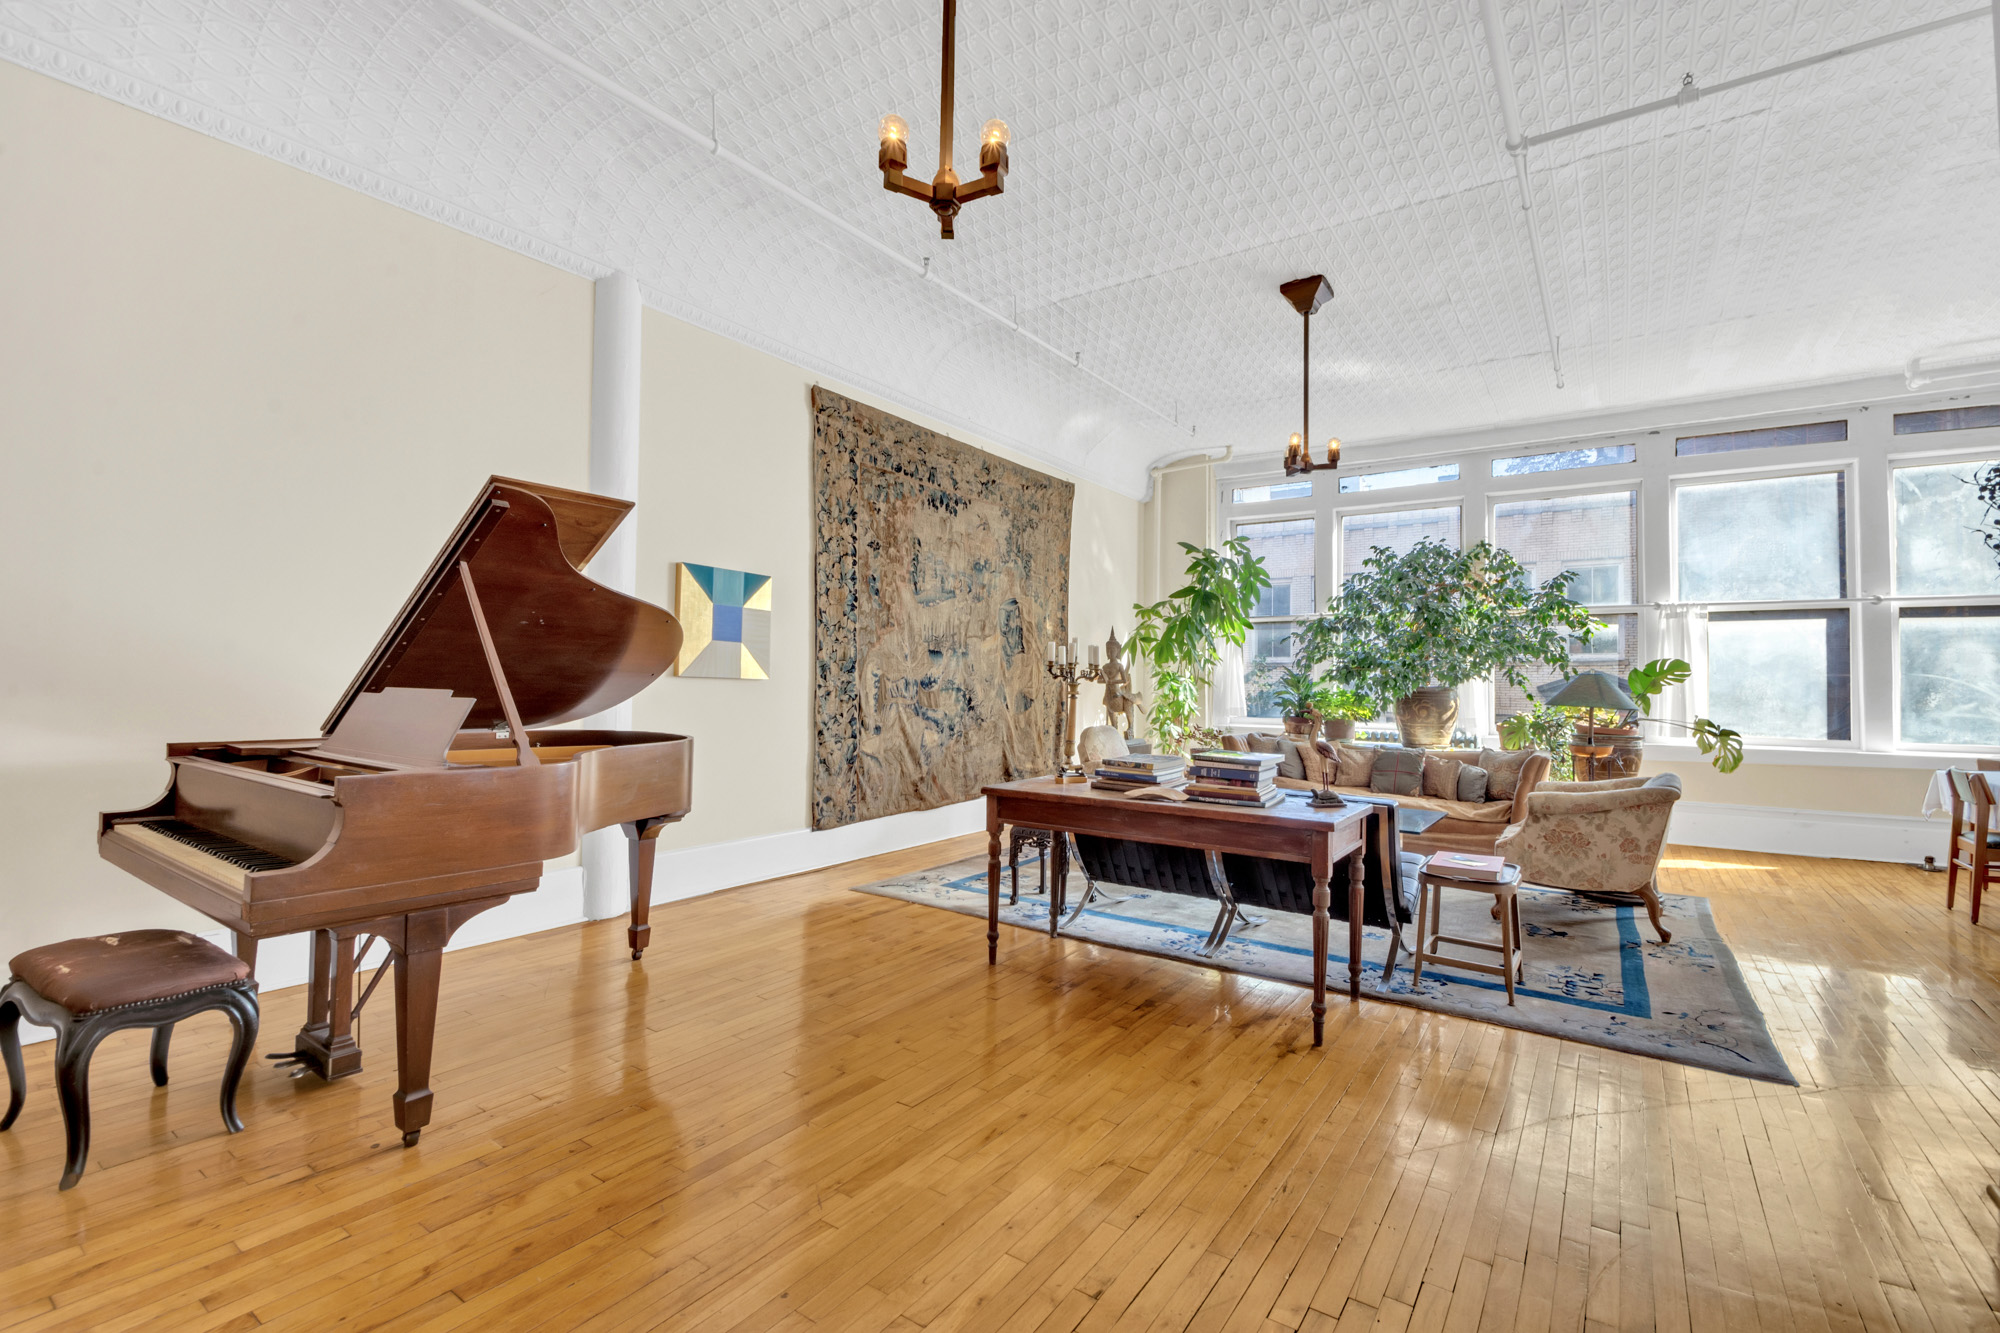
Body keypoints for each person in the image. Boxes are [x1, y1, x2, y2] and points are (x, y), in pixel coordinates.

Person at [1099, 631, 1145, 738]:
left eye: (1112, 650)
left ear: (1117, 651)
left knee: (1128, 704)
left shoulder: (1119, 666)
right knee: (1112, 718)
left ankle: (1130, 727)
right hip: (1109, 695)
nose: (1110, 652)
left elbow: (1124, 680)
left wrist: (1112, 681)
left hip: (1119, 694)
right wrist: (1105, 680)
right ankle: (1114, 732)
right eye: (1108, 650)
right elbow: (1100, 681)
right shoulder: (1105, 667)